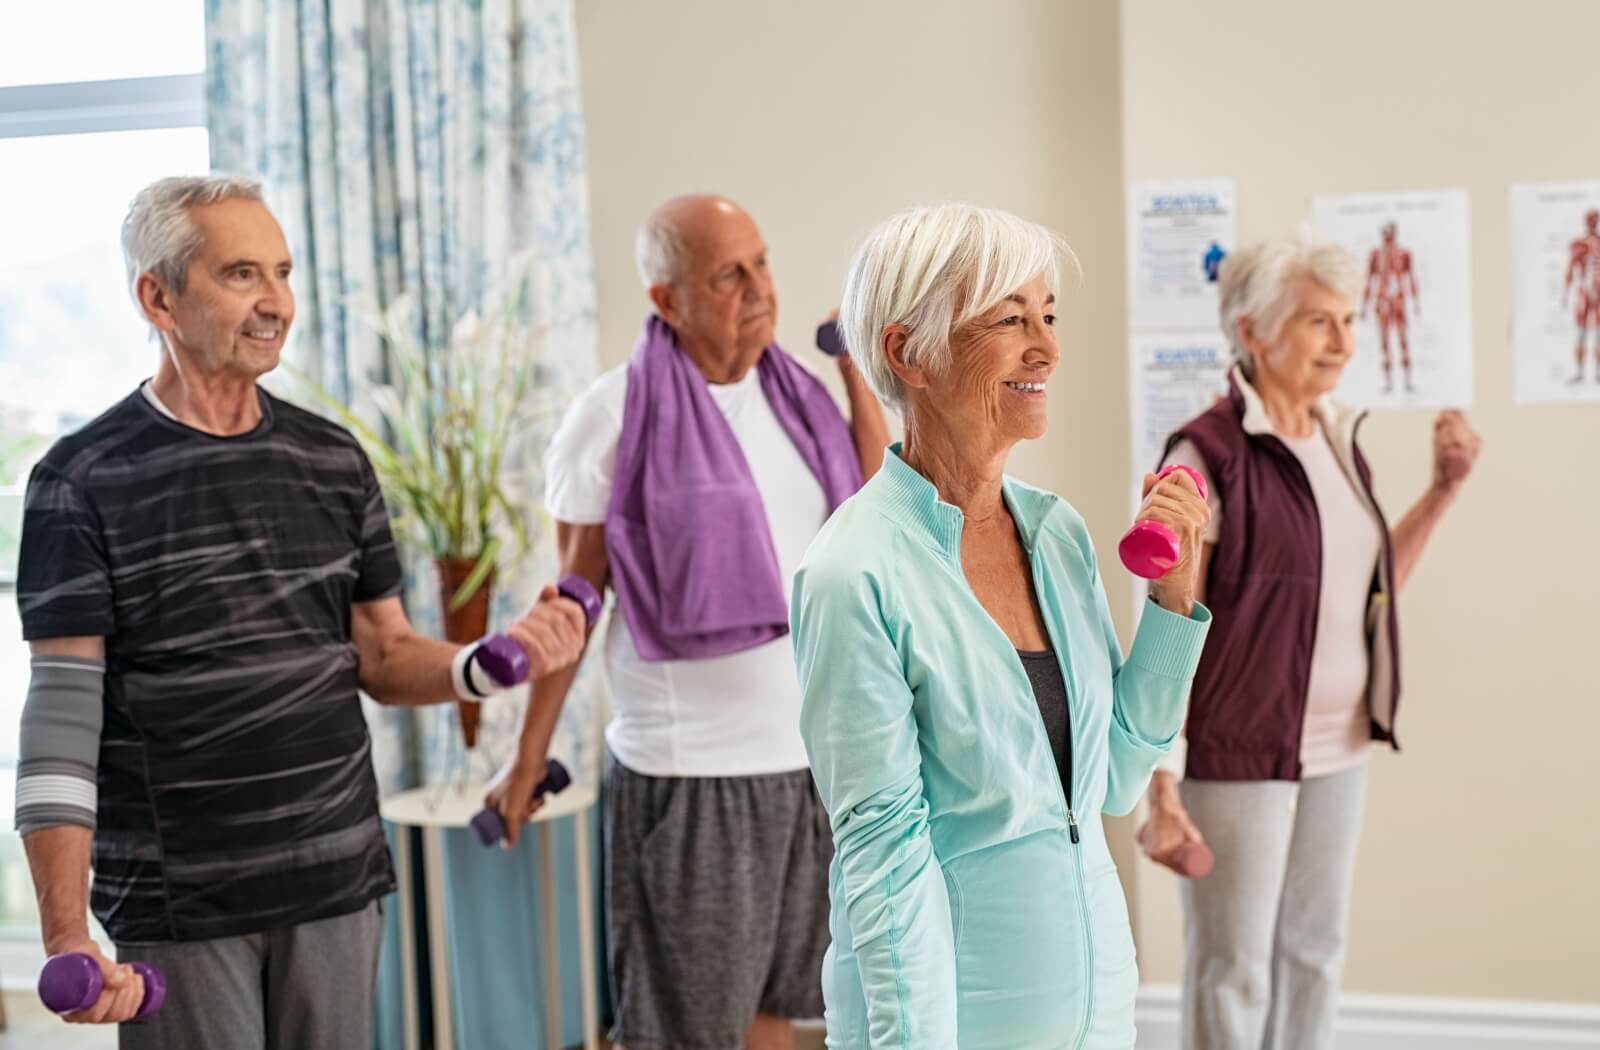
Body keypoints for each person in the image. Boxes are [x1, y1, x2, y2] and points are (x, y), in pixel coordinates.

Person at [14, 174, 587, 1049]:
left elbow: (383, 656)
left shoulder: (332, 460)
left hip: (335, 878)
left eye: (282, 272)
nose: (277, 301)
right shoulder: (80, 480)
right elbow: (61, 721)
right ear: (156, 296)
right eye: (242, 274)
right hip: (183, 900)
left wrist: (488, 661)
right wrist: (63, 932)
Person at [790, 203, 1213, 1049]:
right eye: (1009, 321)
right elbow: (884, 863)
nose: (1047, 349)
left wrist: (1174, 601)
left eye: (1048, 316)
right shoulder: (853, 573)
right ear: (907, 352)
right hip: (948, 1025)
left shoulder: (1056, 534)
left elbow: (1115, 780)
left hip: (1096, 1015)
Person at [485, 194, 890, 1050]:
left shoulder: (801, 397)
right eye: (727, 275)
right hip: (691, 777)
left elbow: (866, 514)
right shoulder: (611, 415)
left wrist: (857, 375)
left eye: (761, 263)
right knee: (685, 1032)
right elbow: (573, 606)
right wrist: (527, 760)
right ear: (666, 300)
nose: (758, 289)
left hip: (807, 765)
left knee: (784, 1014)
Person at [1135, 231, 1482, 1050]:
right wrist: (1163, 774)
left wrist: (1441, 491)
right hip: (1239, 748)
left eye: (1349, 320)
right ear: (1252, 330)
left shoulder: (1337, 440)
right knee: (1234, 968)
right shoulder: (1205, 452)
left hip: (1341, 746)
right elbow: (1170, 613)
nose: (1343, 341)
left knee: (1314, 955)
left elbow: (1368, 585)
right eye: (1318, 321)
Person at [1361, 221, 1420, 393]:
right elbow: (1370, 281)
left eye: (1390, 232)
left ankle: (1407, 381)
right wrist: (1365, 305)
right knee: (1385, 342)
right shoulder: (1375, 255)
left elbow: (1411, 278)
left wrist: (1415, 302)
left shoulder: (1404, 254)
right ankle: (1388, 383)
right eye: (1385, 233)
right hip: (1382, 301)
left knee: (1403, 340)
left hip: (1398, 301)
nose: (1387, 236)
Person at [1562, 208, 1600, 383]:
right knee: (1581, 332)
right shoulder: (1579, 243)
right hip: (1584, 292)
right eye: (1590, 220)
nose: (1593, 222)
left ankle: (1598, 372)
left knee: (1598, 333)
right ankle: (1579, 372)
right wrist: (1566, 292)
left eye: (1595, 220)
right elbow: (1571, 267)